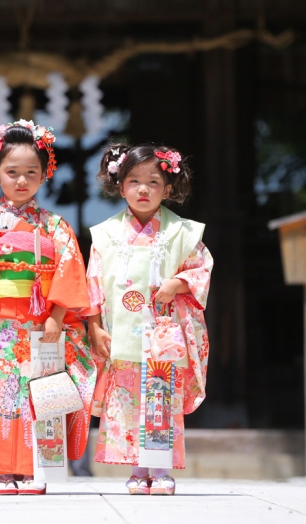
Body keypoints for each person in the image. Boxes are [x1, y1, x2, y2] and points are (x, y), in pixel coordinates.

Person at [0, 120, 95, 496]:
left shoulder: (55, 226)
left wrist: (57, 317)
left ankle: (35, 469)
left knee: (39, 397)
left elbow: (69, 270)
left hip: (41, 327)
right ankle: (2, 470)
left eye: (32, 172)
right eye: (12, 172)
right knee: (0, 395)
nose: (21, 180)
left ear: (45, 175)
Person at [87, 143, 212, 496]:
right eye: (134, 181)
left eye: (153, 182)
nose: (143, 189)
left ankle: (160, 468)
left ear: (168, 189)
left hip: (163, 332)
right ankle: (137, 469)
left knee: (160, 399)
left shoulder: (183, 232)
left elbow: (202, 269)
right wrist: (95, 326)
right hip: (121, 330)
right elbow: (93, 281)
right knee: (126, 402)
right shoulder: (106, 233)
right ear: (120, 185)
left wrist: (180, 282)